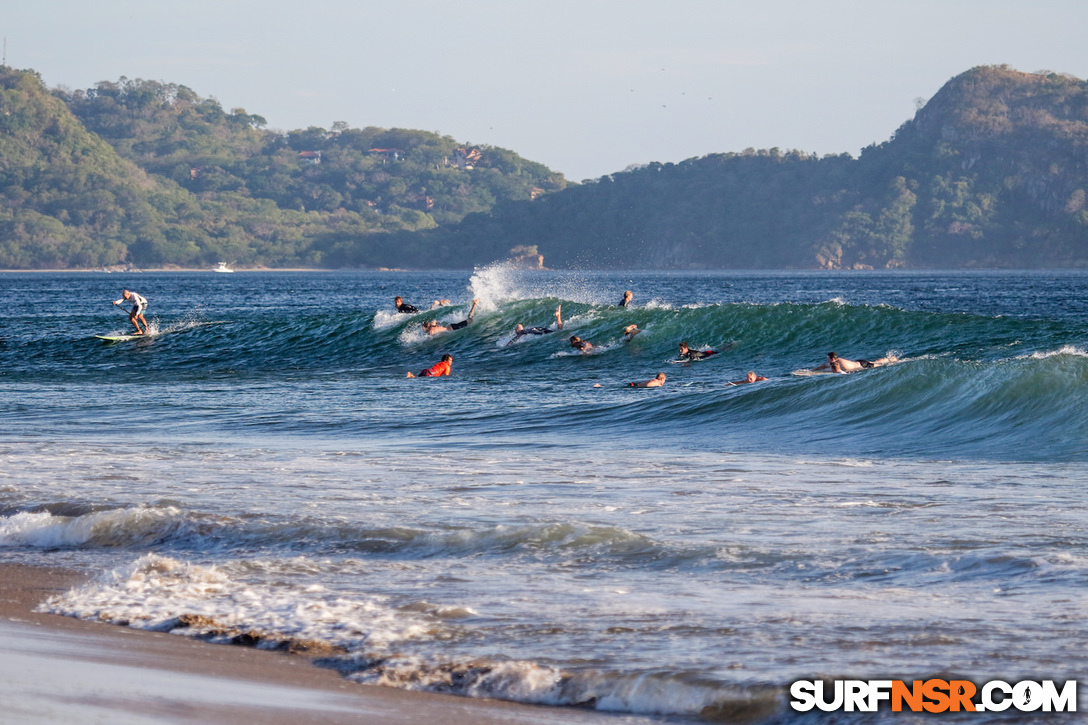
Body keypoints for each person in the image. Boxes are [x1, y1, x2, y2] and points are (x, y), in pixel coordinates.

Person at [813, 351, 898, 372]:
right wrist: (812, 370)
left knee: (878, 365)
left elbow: (845, 370)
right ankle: (889, 358)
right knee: (875, 362)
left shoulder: (839, 362)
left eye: (828, 358)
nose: (827, 360)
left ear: (832, 359)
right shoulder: (834, 362)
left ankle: (890, 360)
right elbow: (824, 366)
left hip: (862, 365)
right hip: (858, 362)